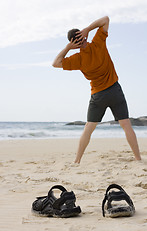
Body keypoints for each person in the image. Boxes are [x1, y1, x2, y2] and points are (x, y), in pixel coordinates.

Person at [52, 16, 141, 164]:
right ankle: (138, 159)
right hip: (115, 90)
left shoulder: (78, 59)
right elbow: (105, 19)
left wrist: (68, 47)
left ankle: (77, 161)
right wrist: (88, 29)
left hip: (98, 95)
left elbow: (55, 63)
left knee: (88, 128)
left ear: (74, 43)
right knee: (126, 125)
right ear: (83, 35)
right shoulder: (98, 42)